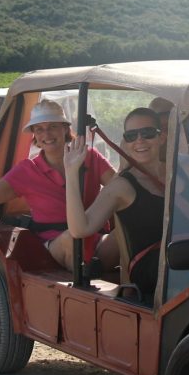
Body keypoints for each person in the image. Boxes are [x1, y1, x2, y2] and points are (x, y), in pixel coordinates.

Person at [0, 98, 115, 269]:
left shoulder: (90, 156)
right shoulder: (27, 170)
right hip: (57, 246)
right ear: (34, 134)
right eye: (40, 129)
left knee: (132, 233)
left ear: (65, 128)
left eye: (53, 127)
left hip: (98, 240)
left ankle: (131, 287)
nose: (47, 135)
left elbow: (118, 186)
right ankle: (86, 284)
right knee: (73, 238)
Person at [65, 107, 166, 301]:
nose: (140, 140)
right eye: (131, 135)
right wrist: (71, 173)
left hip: (182, 261)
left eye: (147, 133)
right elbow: (80, 229)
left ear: (161, 137)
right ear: (125, 142)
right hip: (150, 275)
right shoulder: (122, 186)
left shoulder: (178, 173)